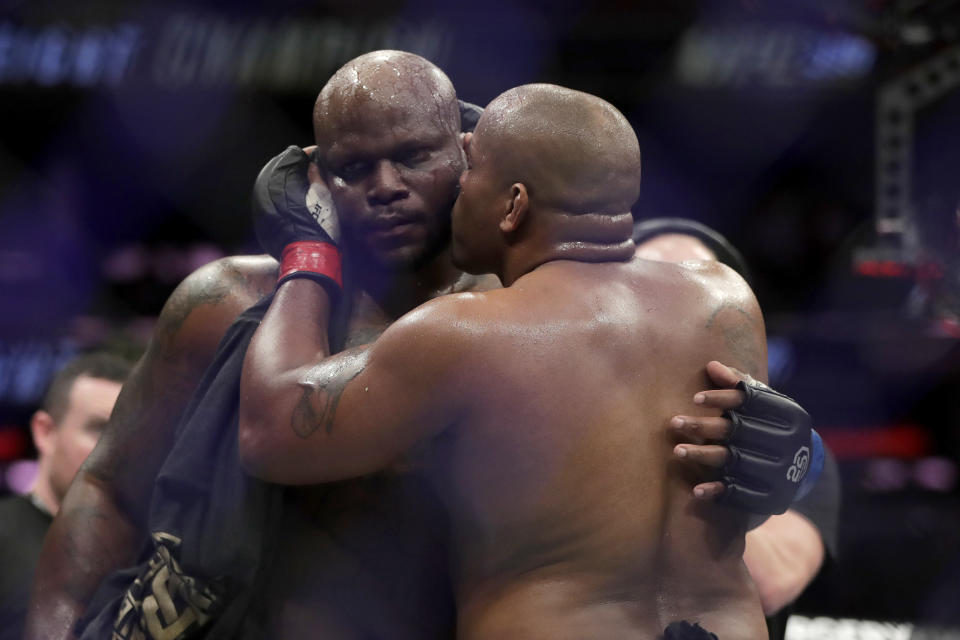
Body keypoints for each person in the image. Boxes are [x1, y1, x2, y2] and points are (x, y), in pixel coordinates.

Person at [26, 51, 814, 640]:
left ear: (471, 154)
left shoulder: (531, 321)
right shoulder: (227, 303)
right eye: (351, 167)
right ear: (311, 181)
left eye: (411, 156)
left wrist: (791, 462)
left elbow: (686, 463)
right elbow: (109, 492)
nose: (384, 186)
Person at [239, 83, 768, 638]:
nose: (457, 192)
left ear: (513, 205)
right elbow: (732, 491)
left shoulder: (467, 331)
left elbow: (270, 429)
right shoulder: (724, 298)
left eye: (469, 175)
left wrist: (307, 251)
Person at [634, 218, 841, 638]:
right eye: (644, 292)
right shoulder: (566, 430)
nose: (666, 317)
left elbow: (772, 582)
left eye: (690, 296)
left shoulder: (782, 445)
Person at [0, 352, 130, 640]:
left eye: (129, 434)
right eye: (100, 428)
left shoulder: (141, 558)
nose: (118, 449)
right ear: (45, 432)